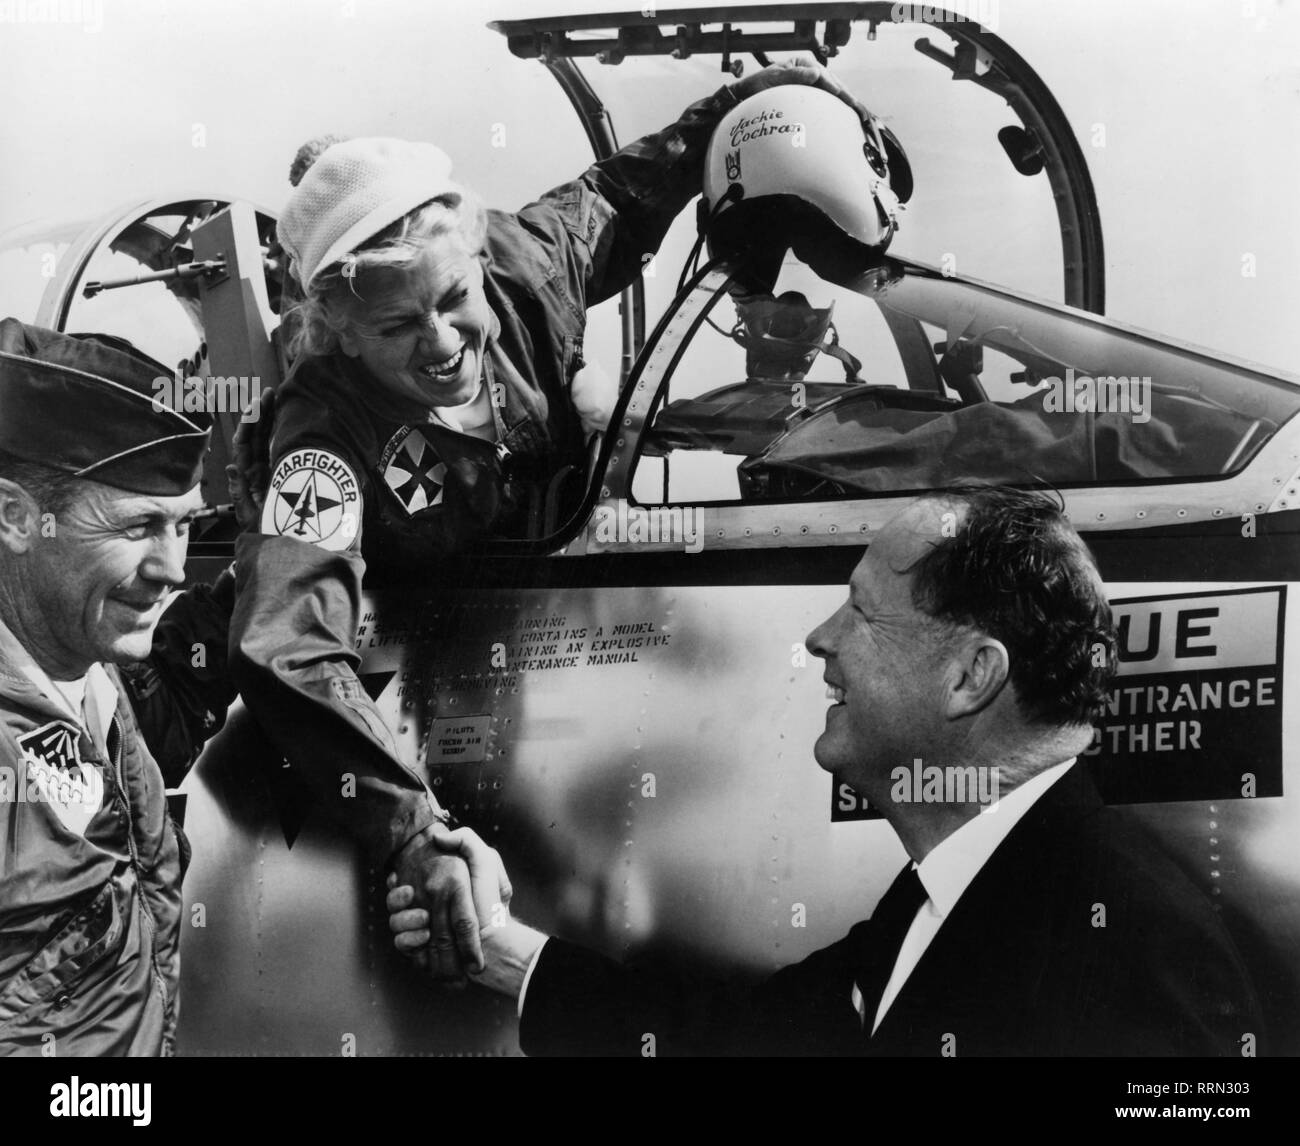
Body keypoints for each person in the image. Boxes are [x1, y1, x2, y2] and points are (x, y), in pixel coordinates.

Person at [230, 60, 884, 979]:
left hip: (565, 627)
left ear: (475, 259)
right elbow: (285, 642)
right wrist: (409, 825)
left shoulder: (525, 262)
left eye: (455, 298)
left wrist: (762, 97)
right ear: (339, 329)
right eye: (398, 327)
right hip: (448, 683)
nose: (447, 341)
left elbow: (632, 185)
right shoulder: (320, 437)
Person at [389, 486, 1263, 1055]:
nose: (820, 640)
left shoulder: (1139, 947)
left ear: (970, 676)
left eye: (864, 614)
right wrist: (499, 945)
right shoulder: (942, 901)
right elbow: (743, 1041)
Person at [0, 319, 238, 1055]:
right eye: (138, 528)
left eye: (184, 527)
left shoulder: (92, 679)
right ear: (15, 517)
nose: (173, 568)